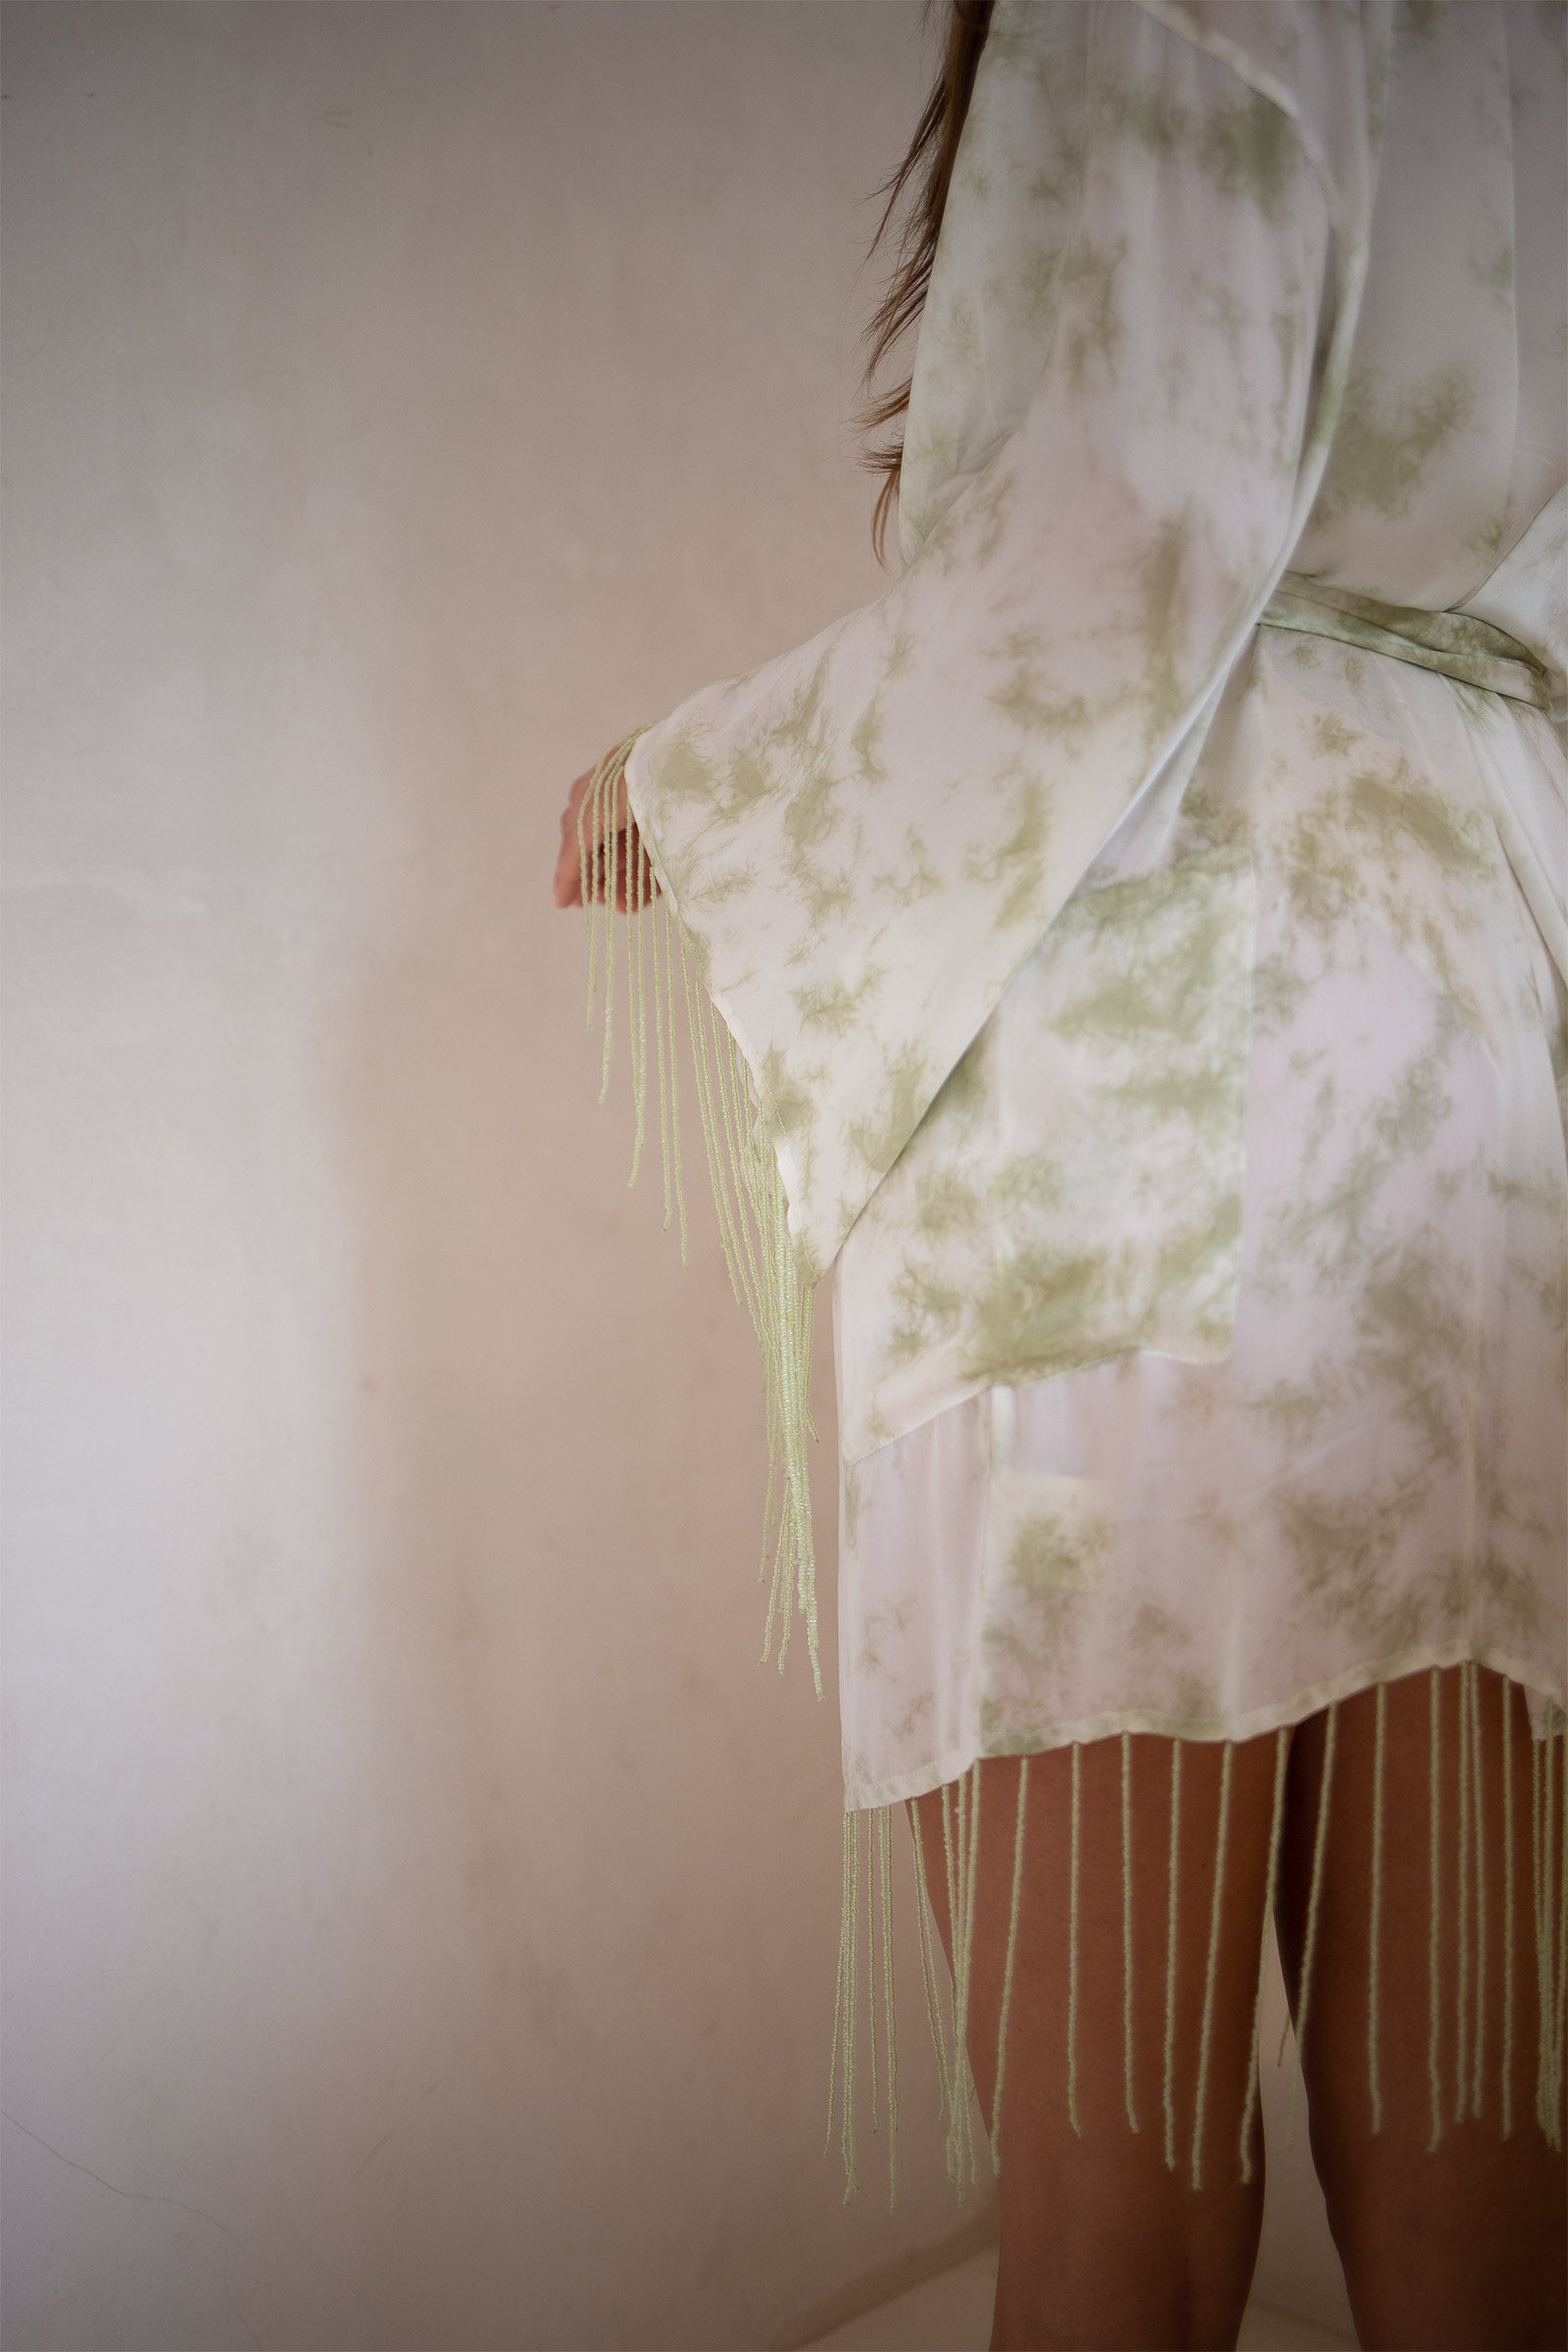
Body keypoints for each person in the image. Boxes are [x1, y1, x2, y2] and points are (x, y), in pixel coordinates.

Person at [551, 3, 1567, 2344]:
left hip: (1142, 1079)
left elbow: (1115, 537)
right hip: (1468, 1038)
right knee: (1484, 2198)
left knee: (1120, 2219)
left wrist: (711, 782)